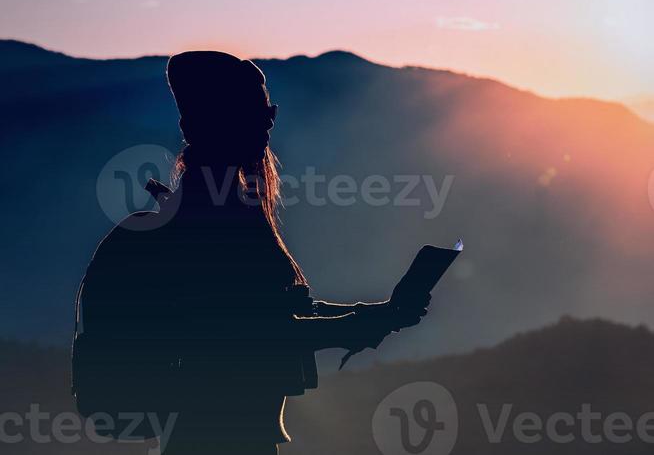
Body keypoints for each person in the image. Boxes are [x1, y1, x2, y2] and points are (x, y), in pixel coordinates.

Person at [80, 51, 431, 455]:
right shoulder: (212, 214)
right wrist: (358, 324)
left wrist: (371, 314)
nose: (266, 123)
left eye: (269, 111)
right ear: (216, 122)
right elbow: (249, 332)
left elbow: (263, 313)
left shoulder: (214, 204)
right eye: (254, 112)